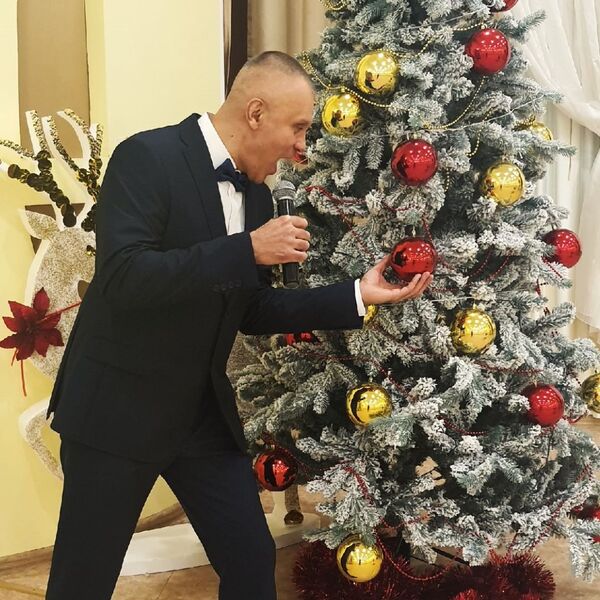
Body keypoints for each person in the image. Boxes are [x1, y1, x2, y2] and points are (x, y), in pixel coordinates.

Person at [45, 51, 432, 600]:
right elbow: (125, 276)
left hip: (200, 414)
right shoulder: (146, 157)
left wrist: (355, 294)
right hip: (115, 412)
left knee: (250, 559)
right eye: (298, 127)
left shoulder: (258, 197)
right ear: (255, 112)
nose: (302, 147)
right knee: (82, 582)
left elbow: (252, 310)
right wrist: (245, 249)